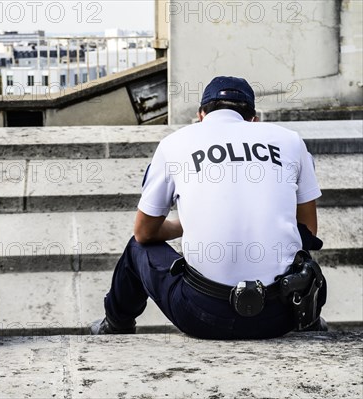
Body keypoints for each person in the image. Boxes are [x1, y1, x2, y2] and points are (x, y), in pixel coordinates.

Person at [91, 76, 327, 339]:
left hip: (201, 315)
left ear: (201, 115)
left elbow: (143, 233)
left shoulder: (175, 143)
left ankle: (117, 323)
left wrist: (189, 222)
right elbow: (307, 232)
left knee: (137, 249)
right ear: (254, 119)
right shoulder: (291, 141)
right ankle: (311, 317)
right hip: (281, 315)